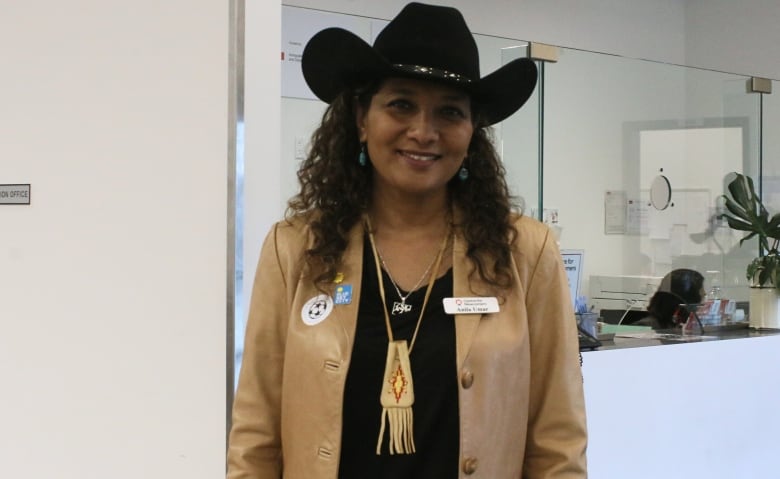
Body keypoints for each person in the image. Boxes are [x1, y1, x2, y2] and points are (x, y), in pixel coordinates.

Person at [227, 3, 587, 478]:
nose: (423, 131)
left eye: (449, 112)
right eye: (401, 104)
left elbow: (556, 444)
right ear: (362, 118)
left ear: (472, 131)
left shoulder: (525, 253)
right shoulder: (295, 248)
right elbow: (256, 436)